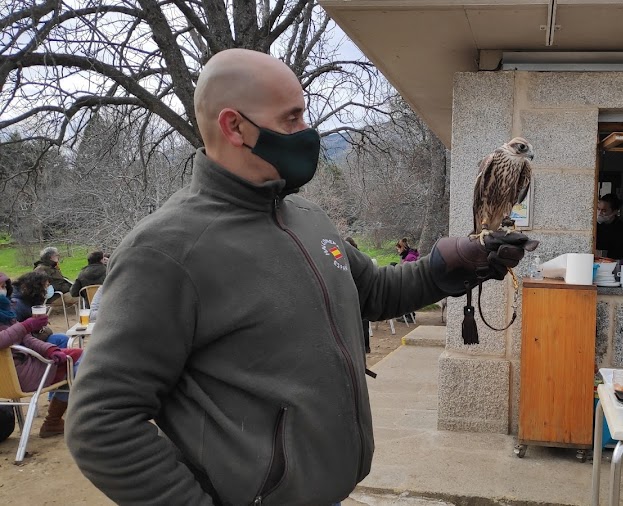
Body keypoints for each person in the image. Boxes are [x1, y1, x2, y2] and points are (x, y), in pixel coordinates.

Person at [66, 48, 532, 505]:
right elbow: (100, 421)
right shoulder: (167, 250)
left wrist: (455, 263)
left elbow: (373, 291)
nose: (307, 132)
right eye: (291, 119)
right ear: (234, 126)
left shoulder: (308, 217)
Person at [0, 295, 82, 437]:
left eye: (4, 285)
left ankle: (54, 421)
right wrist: (27, 325)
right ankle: (54, 420)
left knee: (72, 358)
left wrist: (50, 349)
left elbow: (28, 339)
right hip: (20, 376)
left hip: (16, 373)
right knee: (77, 363)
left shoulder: (8, 313)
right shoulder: (16, 306)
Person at [10, 271, 69, 349]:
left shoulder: (27, 300)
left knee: (62, 338)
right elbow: (21, 335)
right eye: (46, 286)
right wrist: (44, 330)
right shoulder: (17, 305)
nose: (48, 289)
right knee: (62, 339)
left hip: (31, 340)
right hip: (26, 346)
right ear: (37, 287)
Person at [345, 237, 371, 353]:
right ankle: (365, 347)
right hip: (362, 293)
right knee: (363, 321)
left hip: (356, 293)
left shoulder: (348, 259)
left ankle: (362, 347)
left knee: (360, 321)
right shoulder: (362, 257)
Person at [594, 193, 623, 260]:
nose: (599, 213)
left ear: (614, 211)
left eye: (604, 210)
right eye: (598, 209)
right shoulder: (593, 226)